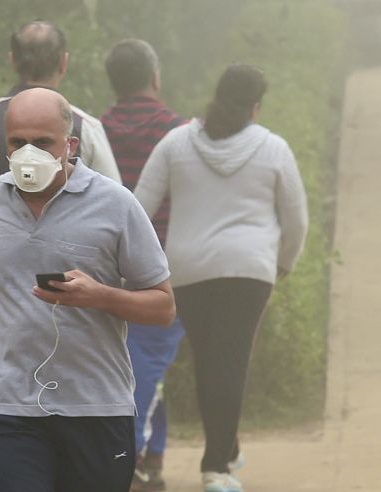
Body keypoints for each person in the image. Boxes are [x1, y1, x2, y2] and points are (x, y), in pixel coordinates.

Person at [0, 87, 176, 492]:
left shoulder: (116, 205)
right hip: (6, 404)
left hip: (96, 405)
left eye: (43, 142)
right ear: (5, 145)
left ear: (70, 144)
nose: (29, 153)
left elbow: (163, 306)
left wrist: (99, 295)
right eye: (18, 142)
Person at [134, 64, 309, 492]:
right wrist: (284, 261)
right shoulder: (273, 148)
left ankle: (225, 449)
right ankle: (216, 469)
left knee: (210, 361)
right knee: (228, 363)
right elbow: (296, 219)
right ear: (255, 107)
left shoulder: (176, 144)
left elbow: (138, 206)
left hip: (188, 271)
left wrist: (144, 265)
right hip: (249, 270)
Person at [0, 19, 120, 267]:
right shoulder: (87, 126)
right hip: (71, 283)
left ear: (13, 60)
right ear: (63, 62)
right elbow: (113, 209)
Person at [100, 39, 187, 492]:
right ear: (155, 78)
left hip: (105, 267)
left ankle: (151, 456)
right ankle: (131, 459)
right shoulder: (181, 131)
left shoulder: (92, 132)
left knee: (139, 364)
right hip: (165, 268)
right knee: (147, 364)